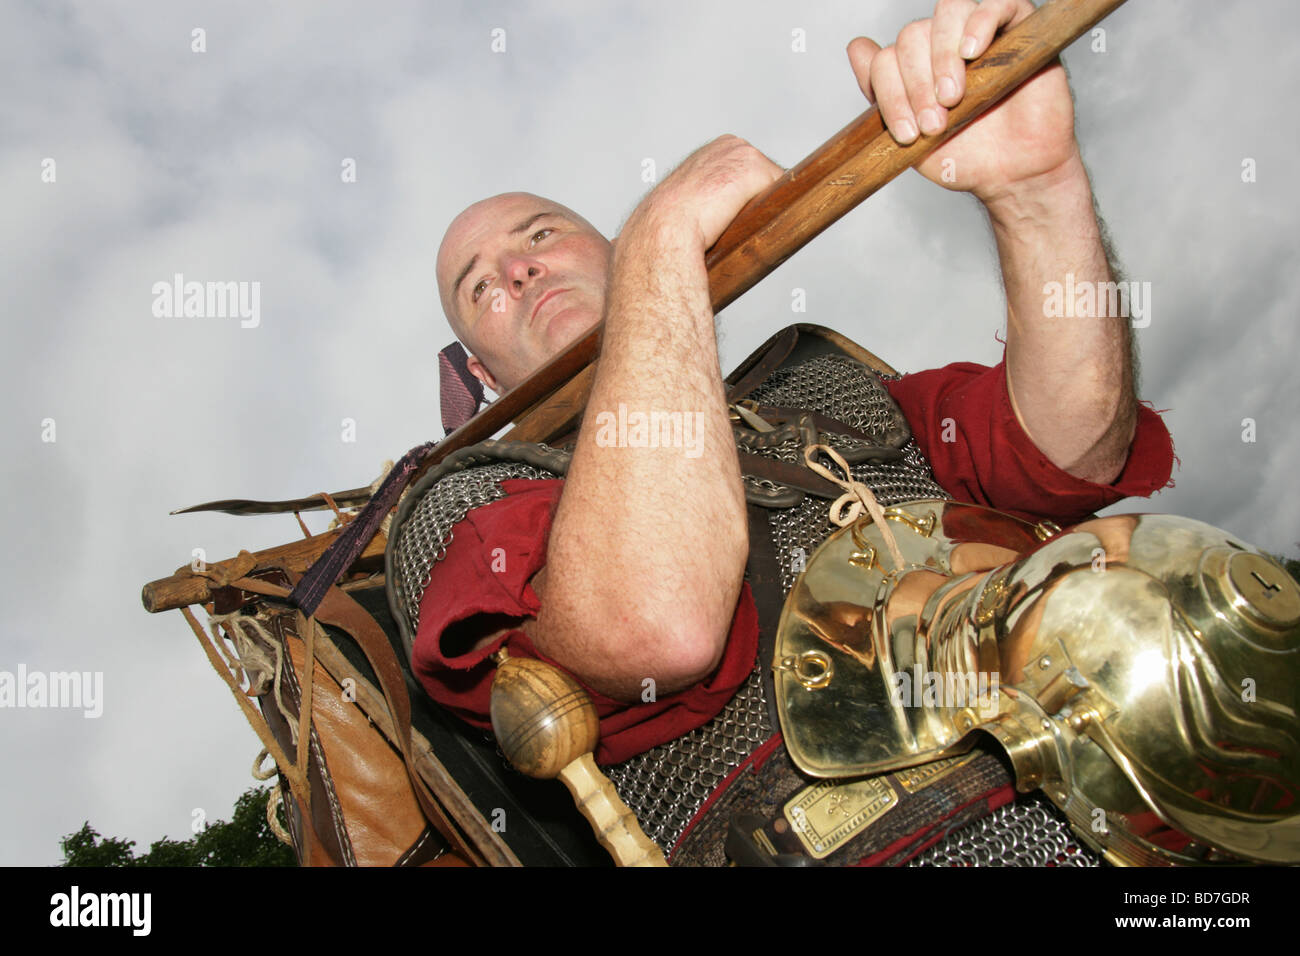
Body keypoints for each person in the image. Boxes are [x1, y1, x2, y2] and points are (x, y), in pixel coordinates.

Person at [395, 0, 1175, 861]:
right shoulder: (470, 502)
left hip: (1132, 793)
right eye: (483, 289)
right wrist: (664, 236)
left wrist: (1038, 193)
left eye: (541, 235)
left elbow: (1073, 450)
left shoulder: (816, 375)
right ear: (479, 377)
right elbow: (658, 627)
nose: (520, 267)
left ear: (609, 255)